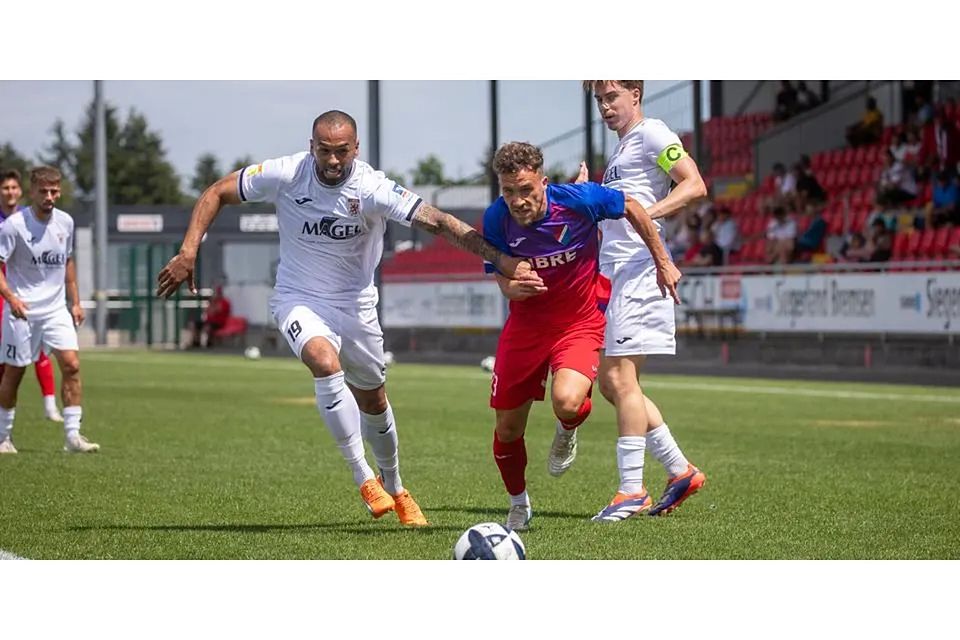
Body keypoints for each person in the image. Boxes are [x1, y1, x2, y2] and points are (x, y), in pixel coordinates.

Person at [156, 110, 540, 525]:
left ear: (356, 149)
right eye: (325, 151)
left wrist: (501, 260)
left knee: (374, 400)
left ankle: (395, 486)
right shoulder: (286, 173)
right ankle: (363, 477)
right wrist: (190, 249)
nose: (333, 160)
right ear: (312, 147)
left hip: (356, 306)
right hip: (298, 298)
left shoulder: (373, 187)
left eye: (342, 151)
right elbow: (216, 192)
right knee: (323, 362)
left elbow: (440, 222)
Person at [482, 142, 680, 531]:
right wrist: (508, 287)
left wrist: (662, 261)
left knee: (569, 402)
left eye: (526, 190)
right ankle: (519, 504)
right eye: (508, 192)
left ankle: (567, 430)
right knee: (507, 428)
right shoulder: (495, 219)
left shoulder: (579, 200)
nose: (518, 201)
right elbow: (496, 269)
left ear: (543, 181)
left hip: (579, 322)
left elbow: (634, 207)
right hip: (525, 327)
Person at [583, 80, 707, 520]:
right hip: (618, 273)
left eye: (611, 97)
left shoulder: (653, 132)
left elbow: (694, 185)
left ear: (635, 93)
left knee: (619, 378)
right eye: (599, 100)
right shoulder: (619, 153)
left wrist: (642, 214)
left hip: (639, 268)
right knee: (614, 384)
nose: (604, 107)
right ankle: (679, 470)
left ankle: (632, 490)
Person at [0, 166, 98, 454]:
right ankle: (4, 437)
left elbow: (67, 263)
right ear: (32, 192)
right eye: (43, 191)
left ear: (60, 191)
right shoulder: (14, 225)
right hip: (23, 310)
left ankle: (72, 436)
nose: (49, 196)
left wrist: (76, 301)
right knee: (15, 373)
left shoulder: (65, 223)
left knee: (72, 365)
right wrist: (12, 299)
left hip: (56, 310)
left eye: (54, 191)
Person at [0, 169, 63, 422]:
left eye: (14, 188)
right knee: (8, 354)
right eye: (5, 188)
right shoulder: (10, 225)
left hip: (26, 293)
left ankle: (50, 406)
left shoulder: (31, 218)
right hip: (5, 291)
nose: (10, 192)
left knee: (40, 351)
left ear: (21, 191)